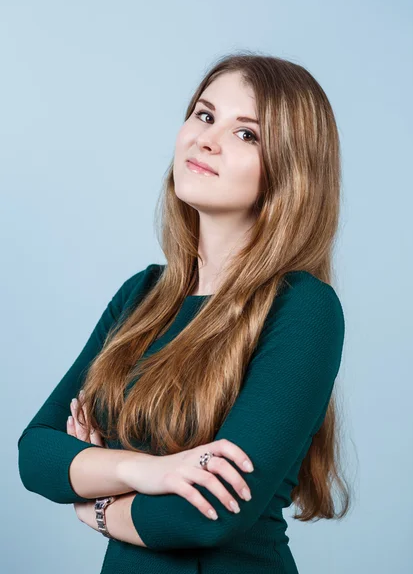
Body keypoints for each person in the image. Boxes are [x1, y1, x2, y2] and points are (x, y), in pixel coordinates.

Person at [18, 52, 350, 573]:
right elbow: (36, 454)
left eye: (247, 134)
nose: (207, 139)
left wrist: (96, 502)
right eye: (204, 114)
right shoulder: (141, 295)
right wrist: (149, 472)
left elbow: (206, 516)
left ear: (290, 171)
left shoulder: (303, 308)